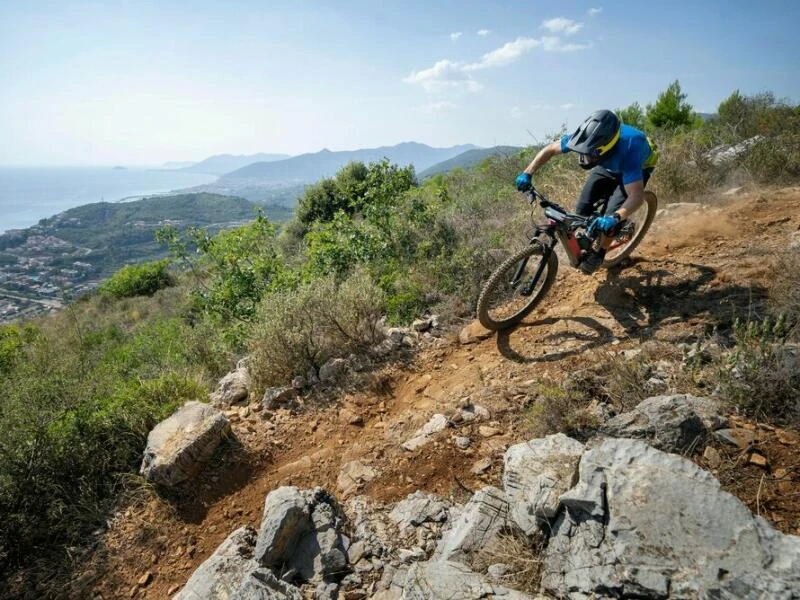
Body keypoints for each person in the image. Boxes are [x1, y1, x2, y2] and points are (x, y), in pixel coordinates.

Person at [515, 110, 658, 274]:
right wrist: (527, 173)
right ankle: (597, 229)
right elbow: (550, 149)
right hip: (607, 164)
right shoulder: (586, 137)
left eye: (588, 155)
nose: (583, 158)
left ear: (603, 148)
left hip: (638, 166)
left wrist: (615, 217)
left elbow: (637, 195)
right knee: (582, 209)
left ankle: (601, 251)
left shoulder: (630, 148)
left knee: (611, 216)